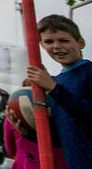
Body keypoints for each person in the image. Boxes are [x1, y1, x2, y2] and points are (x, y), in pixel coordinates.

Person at [25, 14, 91, 168]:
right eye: (48, 41)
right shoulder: (56, 82)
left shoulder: (88, 73)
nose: (56, 46)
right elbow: (63, 132)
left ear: (80, 43)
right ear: (41, 45)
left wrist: (53, 88)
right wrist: (27, 129)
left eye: (63, 40)